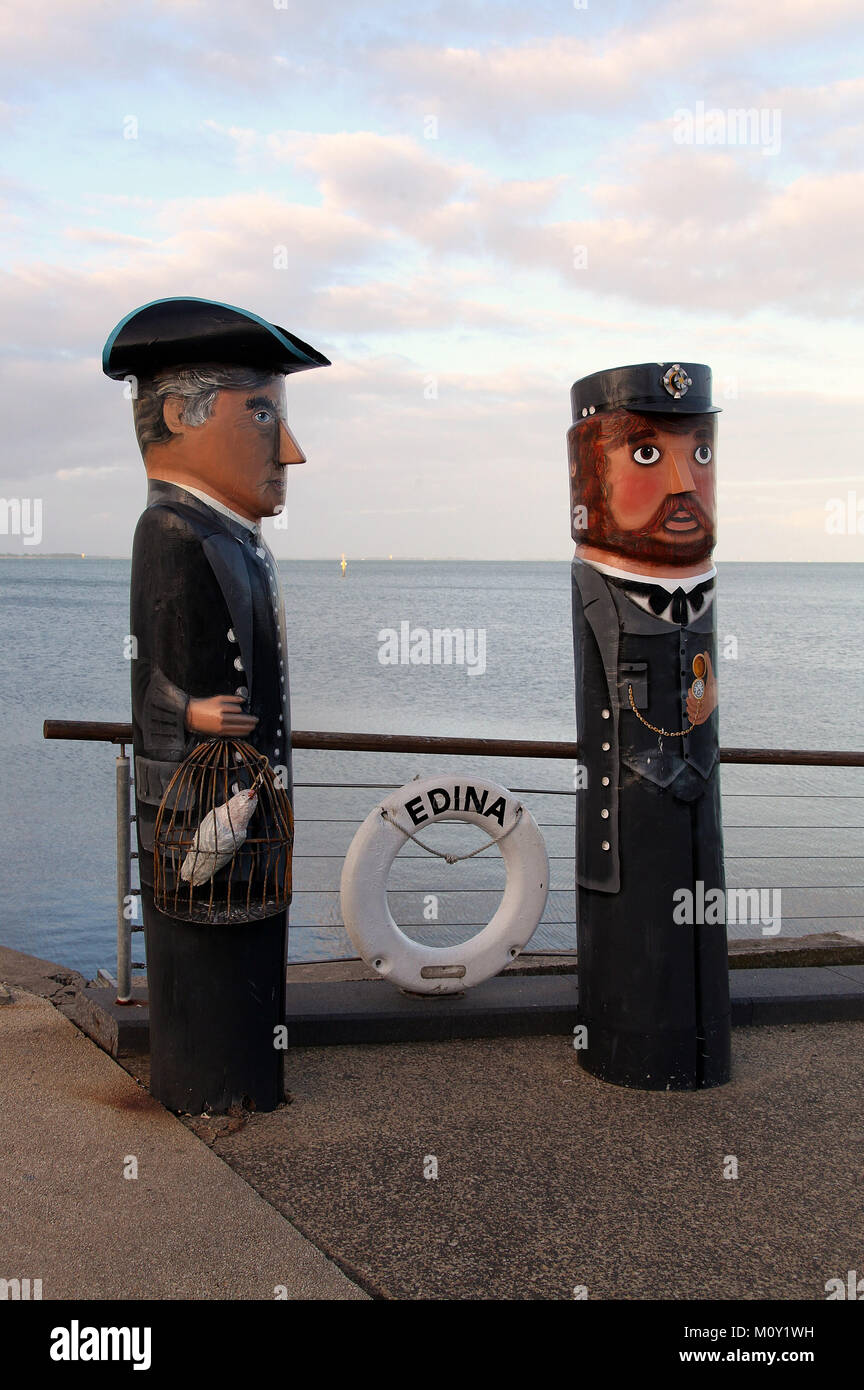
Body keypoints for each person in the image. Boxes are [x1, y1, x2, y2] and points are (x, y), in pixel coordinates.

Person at [103, 295, 329, 1112]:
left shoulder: (243, 540)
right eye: (263, 414)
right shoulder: (168, 531)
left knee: (254, 927)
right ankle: (210, 1082)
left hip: (257, 799)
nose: (291, 451)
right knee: (206, 928)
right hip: (196, 802)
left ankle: (249, 1077)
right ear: (176, 414)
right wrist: (188, 714)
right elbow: (151, 678)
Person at [567, 362, 730, 1089]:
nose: (684, 484)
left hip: (698, 799)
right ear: (584, 474)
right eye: (644, 454)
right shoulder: (596, 583)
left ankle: (701, 1047)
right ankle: (631, 1044)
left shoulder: (702, 586)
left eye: (700, 453)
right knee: (642, 935)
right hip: (629, 814)